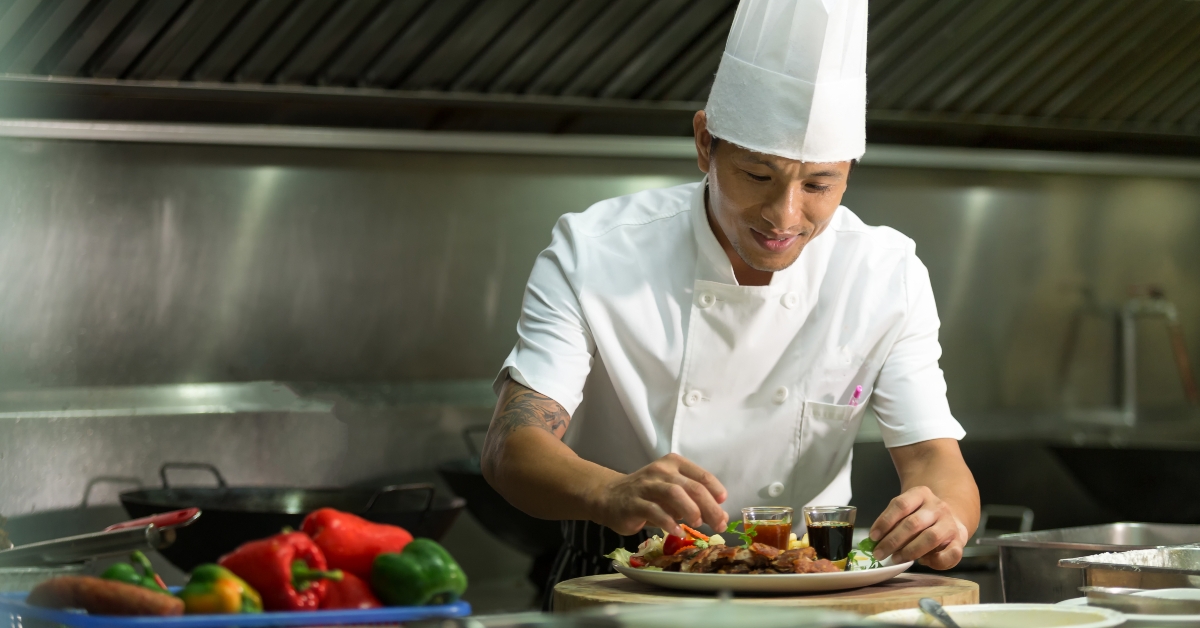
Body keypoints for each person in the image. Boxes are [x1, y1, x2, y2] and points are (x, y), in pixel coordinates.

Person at [481, 0, 980, 601]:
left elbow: (933, 458)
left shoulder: (882, 272)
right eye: (758, 177)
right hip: (620, 582)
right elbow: (512, 448)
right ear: (704, 146)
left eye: (819, 185)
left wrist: (943, 516)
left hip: (809, 585)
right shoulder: (594, 251)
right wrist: (610, 492)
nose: (785, 216)